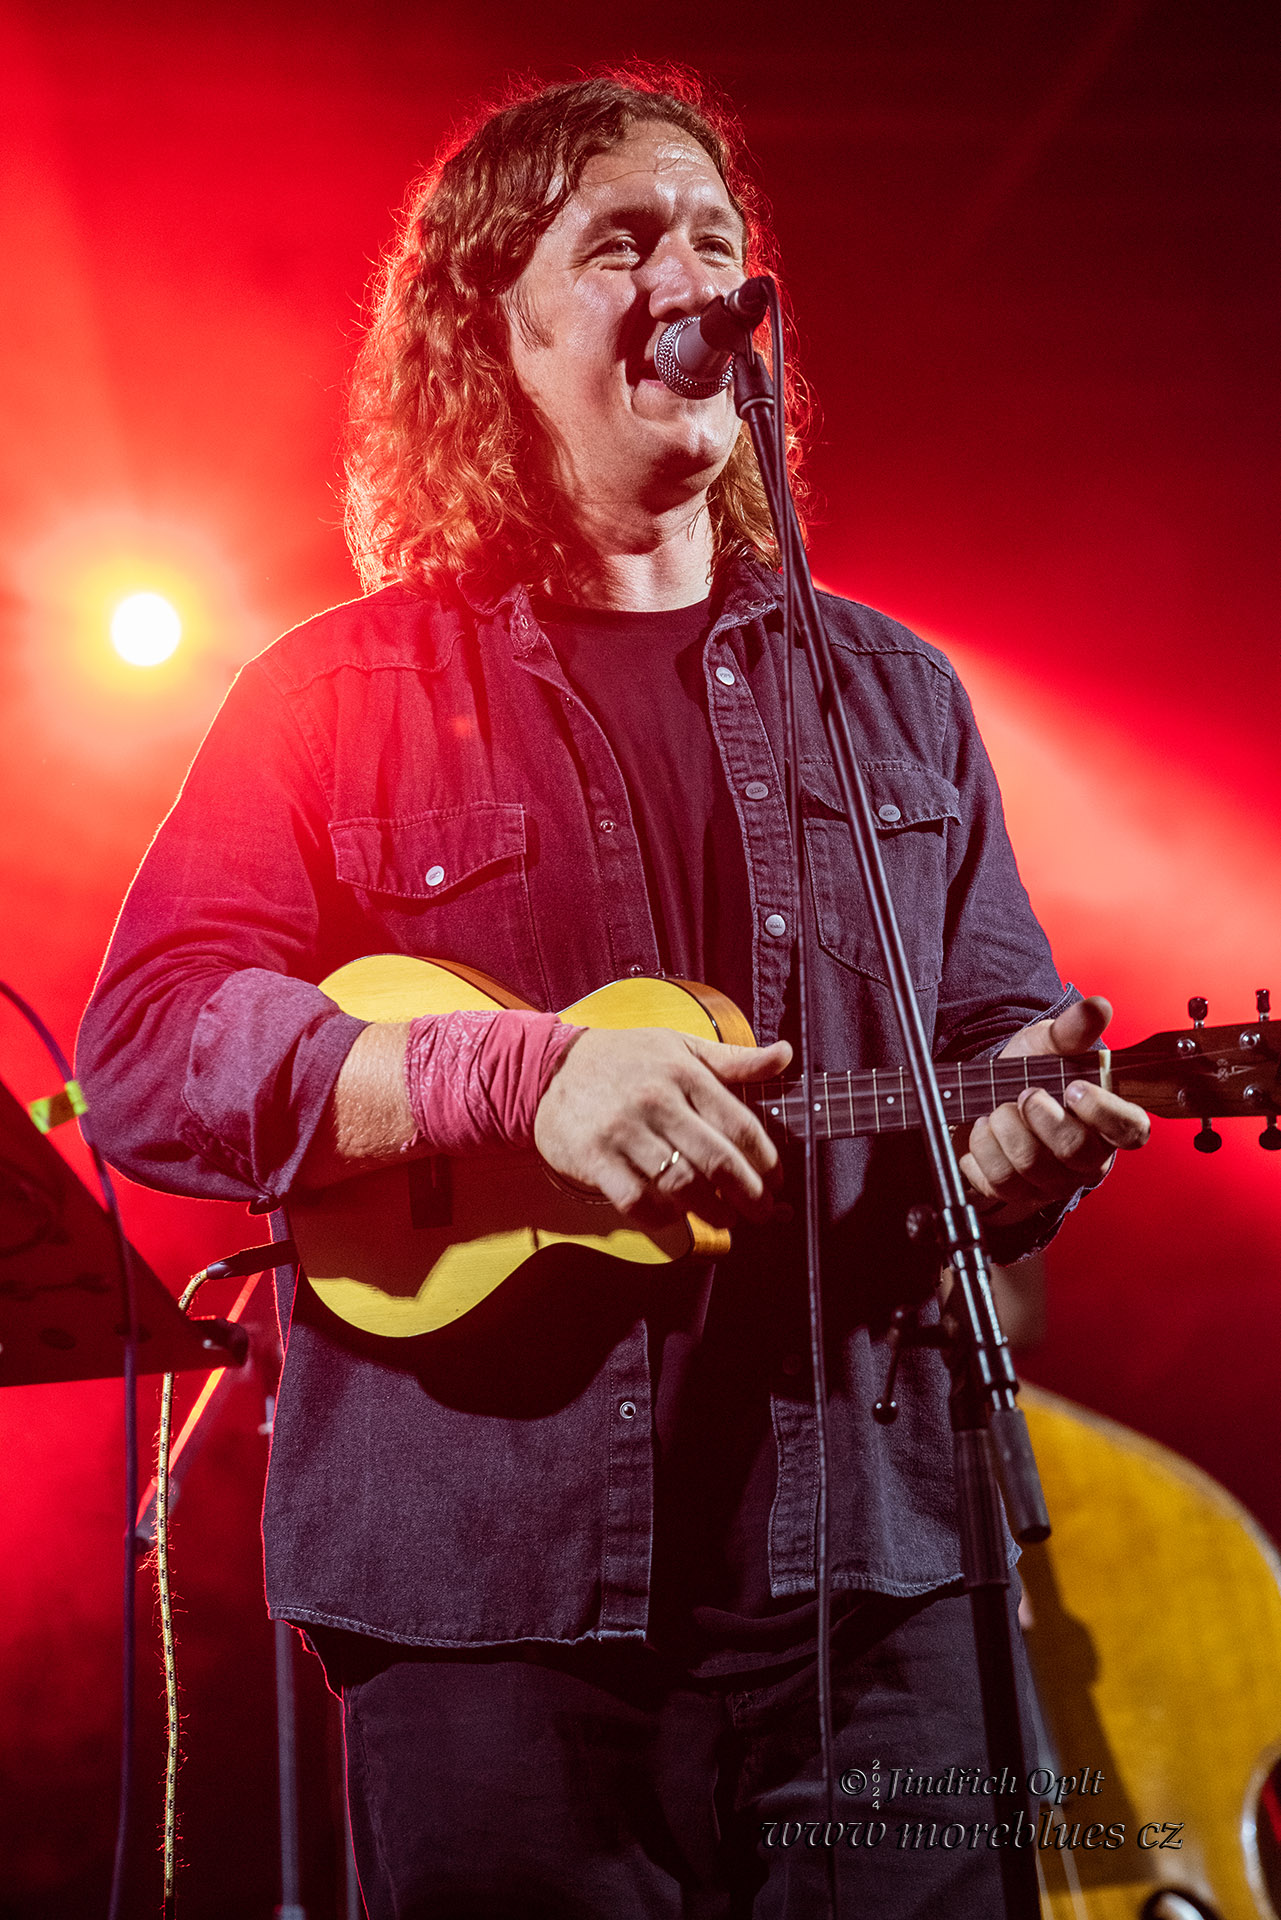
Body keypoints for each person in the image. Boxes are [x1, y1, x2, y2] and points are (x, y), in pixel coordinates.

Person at [78, 69, 1149, 1919]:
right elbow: (153, 1051)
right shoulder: (338, 696)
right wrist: (508, 1080)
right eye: (623, 241)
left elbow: (984, 1050)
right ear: (491, 331)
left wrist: (1017, 1147)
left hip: (872, 1591)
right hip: (484, 1610)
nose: (694, 275)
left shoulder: (891, 693)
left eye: (718, 239)